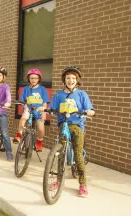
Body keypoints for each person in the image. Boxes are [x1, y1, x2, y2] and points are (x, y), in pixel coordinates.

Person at [37, 66, 95, 197]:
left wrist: (89, 111)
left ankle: (83, 184)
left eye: (73, 78)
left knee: (78, 155)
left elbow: (89, 107)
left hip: (76, 125)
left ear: (77, 80)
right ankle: (58, 180)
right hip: (63, 125)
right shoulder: (59, 95)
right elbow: (52, 107)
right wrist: (45, 109)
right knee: (60, 153)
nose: (71, 80)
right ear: (64, 80)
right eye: (68, 78)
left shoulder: (82, 94)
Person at [13, 69, 50, 152]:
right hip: (29, 109)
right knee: (23, 118)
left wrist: (44, 112)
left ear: (39, 79)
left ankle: (39, 141)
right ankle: (19, 135)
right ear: (29, 79)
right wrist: (25, 107)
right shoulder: (26, 89)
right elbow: (23, 101)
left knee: (40, 129)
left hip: (39, 111)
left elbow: (45, 102)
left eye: (35, 78)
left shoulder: (42, 89)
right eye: (31, 78)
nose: (33, 80)